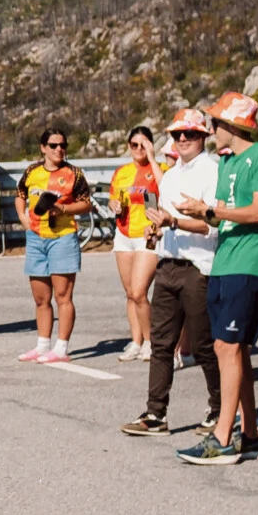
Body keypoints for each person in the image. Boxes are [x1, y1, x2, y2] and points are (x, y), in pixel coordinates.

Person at [173, 93, 258, 464]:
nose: (211, 129)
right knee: (233, 350)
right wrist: (198, 210)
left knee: (228, 348)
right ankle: (249, 436)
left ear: (233, 125)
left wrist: (211, 208)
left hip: (250, 264)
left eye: (215, 123)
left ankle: (222, 437)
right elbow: (221, 217)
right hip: (225, 262)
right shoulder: (229, 163)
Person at [121, 109, 221, 436]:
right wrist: (157, 231)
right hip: (168, 262)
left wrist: (174, 221)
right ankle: (155, 414)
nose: (182, 140)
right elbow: (163, 218)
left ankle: (221, 410)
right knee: (161, 343)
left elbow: (212, 225)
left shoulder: (212, 170)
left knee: (205, 344)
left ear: (203, 136)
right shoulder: (173, 174)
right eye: (177, 135)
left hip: (198, 266)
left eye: (189, 135)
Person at [14, 126, 92, 362]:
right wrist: (22, 217)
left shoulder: (74, 173)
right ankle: (42, 344)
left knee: (62, 296)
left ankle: (61, 348)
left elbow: (86, 203)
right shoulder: (31, 171)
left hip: (63, 237)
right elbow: (20, 194)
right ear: (43, 148)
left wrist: (64, 209)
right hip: (36, 238)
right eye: (54, 145)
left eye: (63, 145)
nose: (59, 149)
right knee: (40, 298)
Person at [110, 126, 162, 360]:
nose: (139, 149)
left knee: (140, 292)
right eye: (134, 145)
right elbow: (114, 197)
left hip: (147, 237)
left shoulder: (159, 169)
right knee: (130, 293)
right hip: (123, 235)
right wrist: (114, 206)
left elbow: (167, 189)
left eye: (144, 144)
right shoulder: (121, 172)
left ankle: (151, 341)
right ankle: (135, 341)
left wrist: (152, 158)